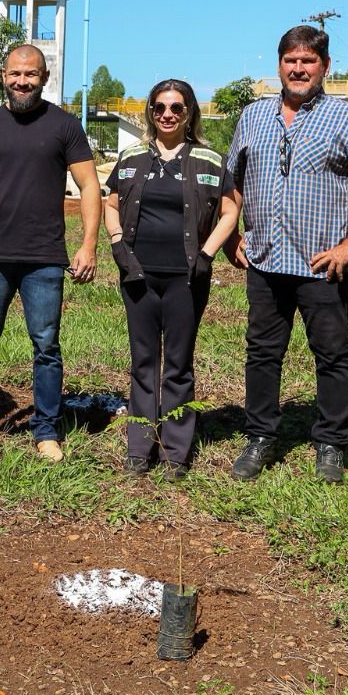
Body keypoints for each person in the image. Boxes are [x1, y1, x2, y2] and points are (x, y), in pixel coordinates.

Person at [223, 26, 348, 483]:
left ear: (325, 66)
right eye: (290, 60)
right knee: (262, 352)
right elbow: (233, 180)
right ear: (279, 63)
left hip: (321, 264)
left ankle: (331, 443)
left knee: (332, 354)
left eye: (308, 61)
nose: (298, 69)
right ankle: (260, 435)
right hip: (264, 258)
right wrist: (229, 235)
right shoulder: (253, 116)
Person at [0, 44, 102, 462]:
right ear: (4, 76)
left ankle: (46, 431)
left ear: (44, 78)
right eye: (15, 74)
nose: (22, 81)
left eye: (31, 74)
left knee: (46, 345)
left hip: (44, 256)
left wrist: (88, 244)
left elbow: (90, 185)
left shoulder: (65, 126)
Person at [105, 79, 240, 479]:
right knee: (143, 361)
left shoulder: (209, 160)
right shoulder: (131, 157)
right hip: (138, 275)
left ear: (189, 113)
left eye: (176, 108)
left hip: (187, 277)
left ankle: (175, 452)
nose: (167, 114)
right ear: (150, 112)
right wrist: (117, 243)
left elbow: (231, 211)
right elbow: (110, 202)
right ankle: (140, 446)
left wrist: (207, 253)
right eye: (159, 107)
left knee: (178, 363)